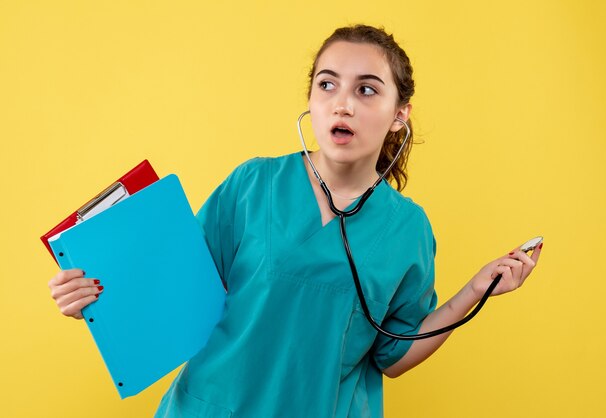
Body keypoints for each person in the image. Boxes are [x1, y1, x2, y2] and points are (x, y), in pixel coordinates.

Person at [48, 25, 542, 417]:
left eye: (367, 90)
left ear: (399, 114)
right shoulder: (252, 184)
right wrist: (94, 298)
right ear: (311, 99)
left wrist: (476, 290)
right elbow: (176, 290)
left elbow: (395, 357)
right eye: (327, 84)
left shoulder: (408, 230)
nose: (342, 103)